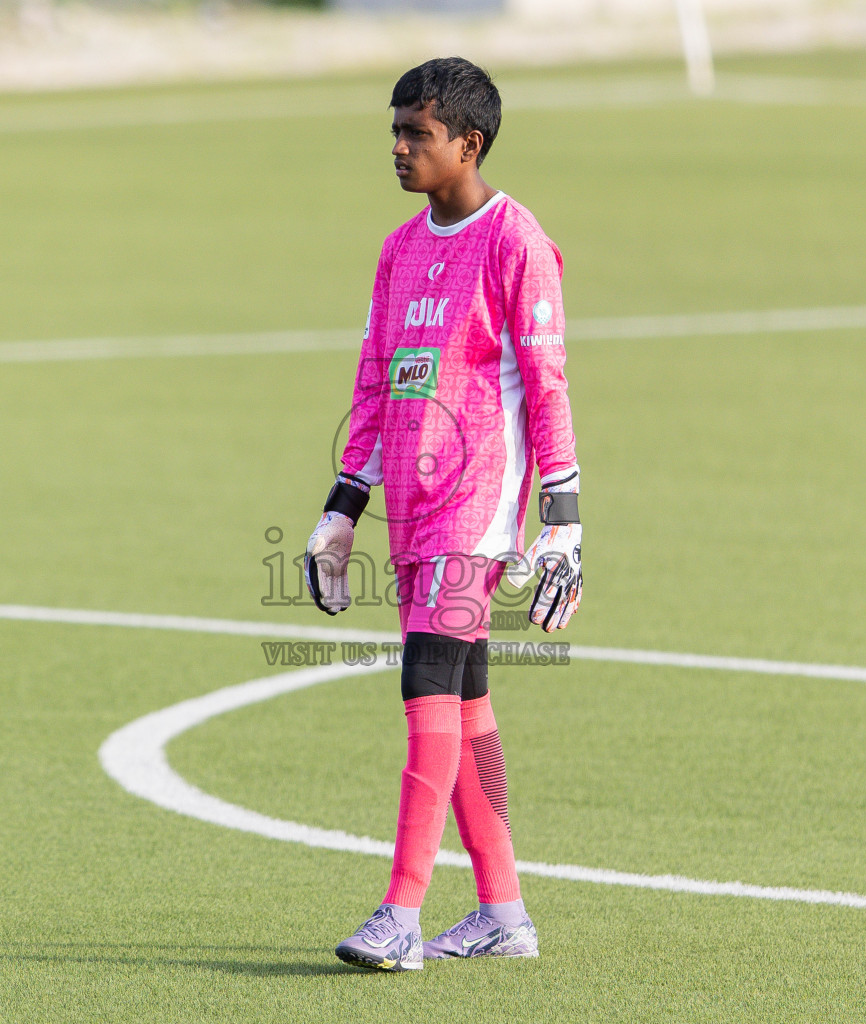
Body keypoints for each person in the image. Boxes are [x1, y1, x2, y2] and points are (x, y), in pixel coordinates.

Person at [304, 56, 583, 972]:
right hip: (415, 513)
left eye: (416, 134)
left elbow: (546, 385)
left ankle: (401, 915)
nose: (397, 147)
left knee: (424, 688)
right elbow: (377, 379)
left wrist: (564, 516)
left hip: (479, 516)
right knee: (463, 707)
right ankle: (504, 913)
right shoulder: (400, 247)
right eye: (394, 130)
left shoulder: (517, 242)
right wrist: (345, 505)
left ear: (470, 142)